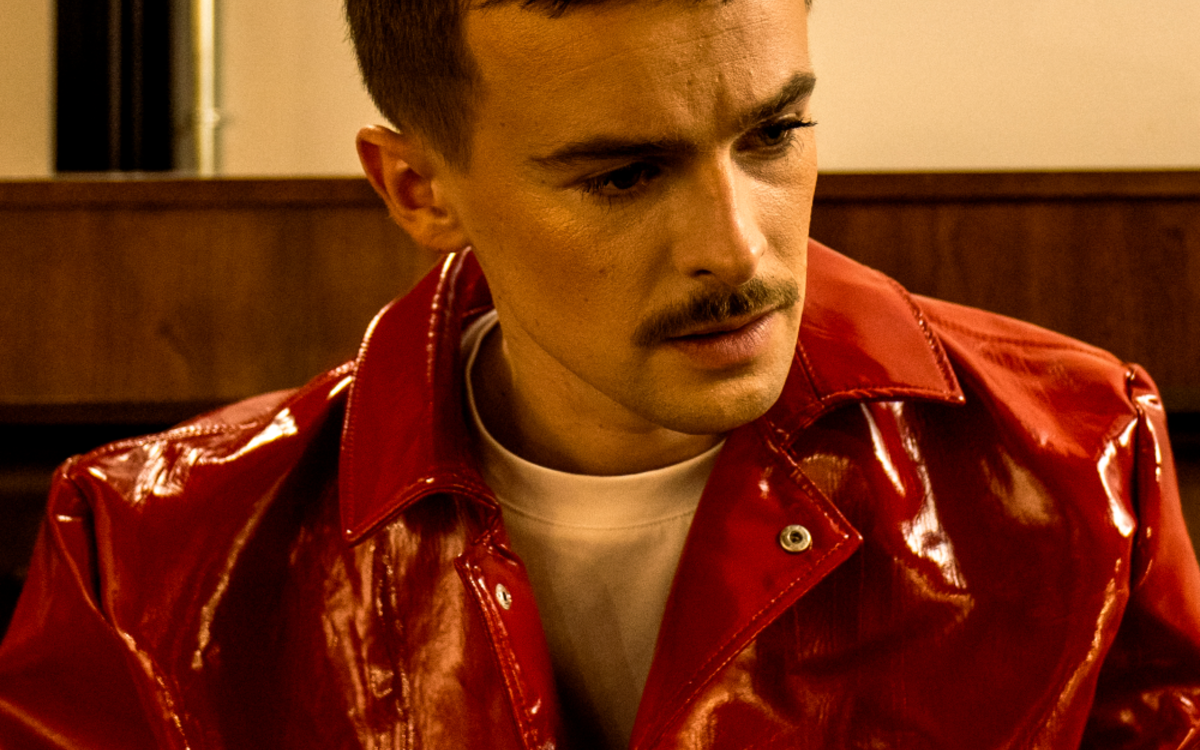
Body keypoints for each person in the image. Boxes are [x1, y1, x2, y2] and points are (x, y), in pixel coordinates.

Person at [2, 0, 1199, 746]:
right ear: (417, 188)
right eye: (624, 175)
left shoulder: (1079, 458)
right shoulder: (142, 556)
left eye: (773, 134)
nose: (736, 249)